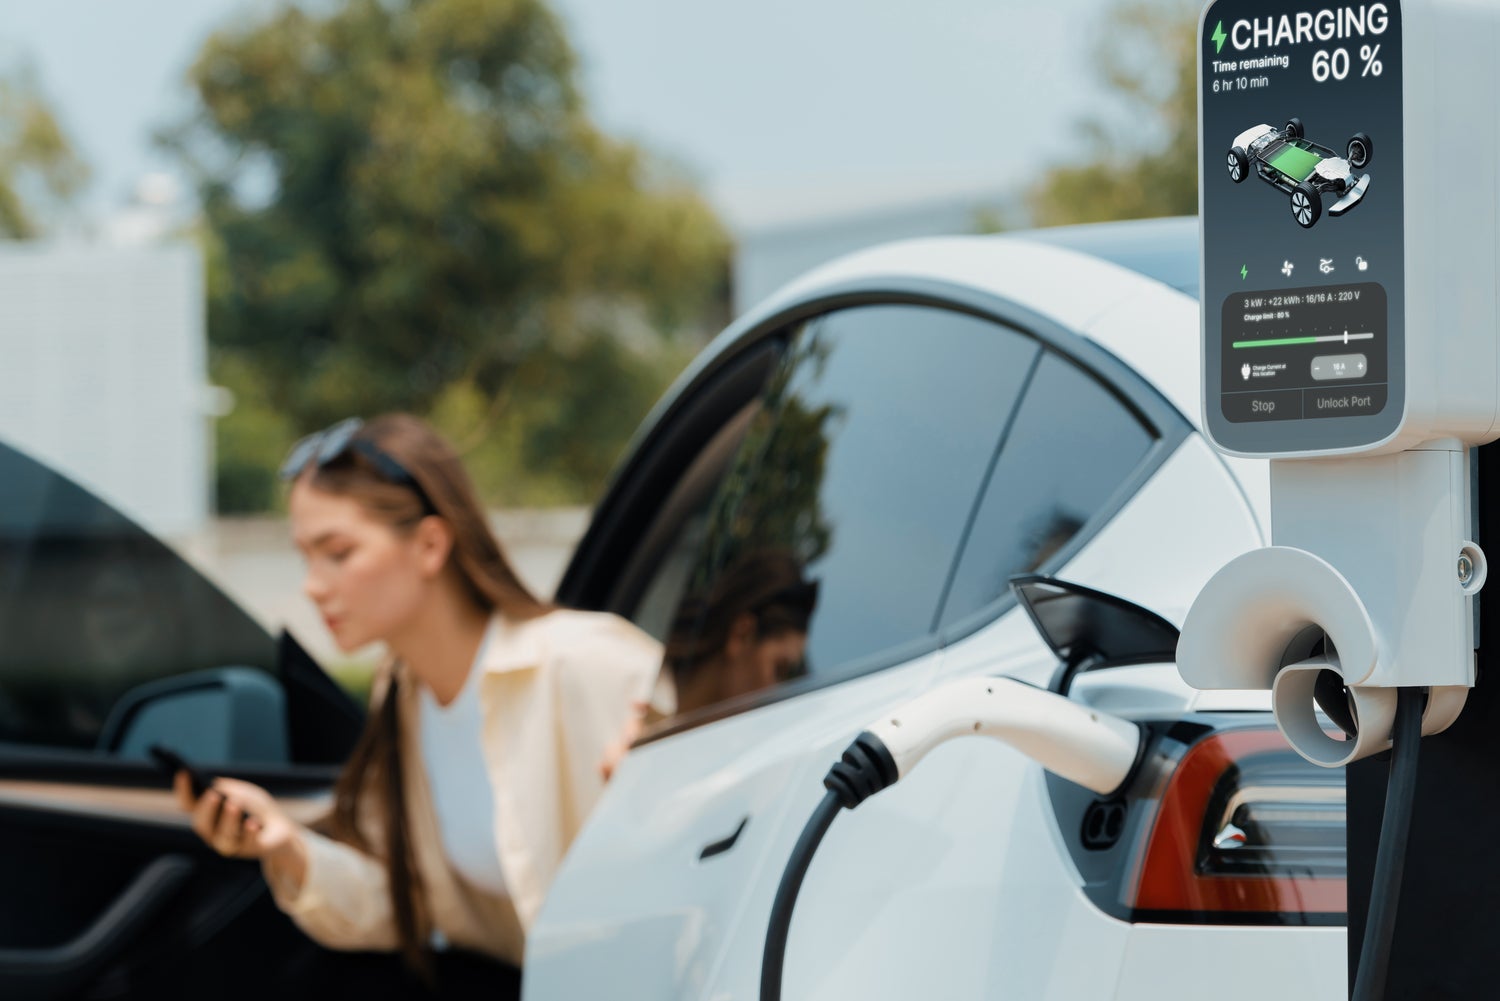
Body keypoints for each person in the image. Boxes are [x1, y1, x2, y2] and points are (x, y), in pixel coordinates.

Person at [172, 414, 662, 996]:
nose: (312, 585)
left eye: (337, 553)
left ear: (430, 545)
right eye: (306, 557)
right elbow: (406, 901)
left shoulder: (588, 663)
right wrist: (285, 845)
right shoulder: (404, 693)